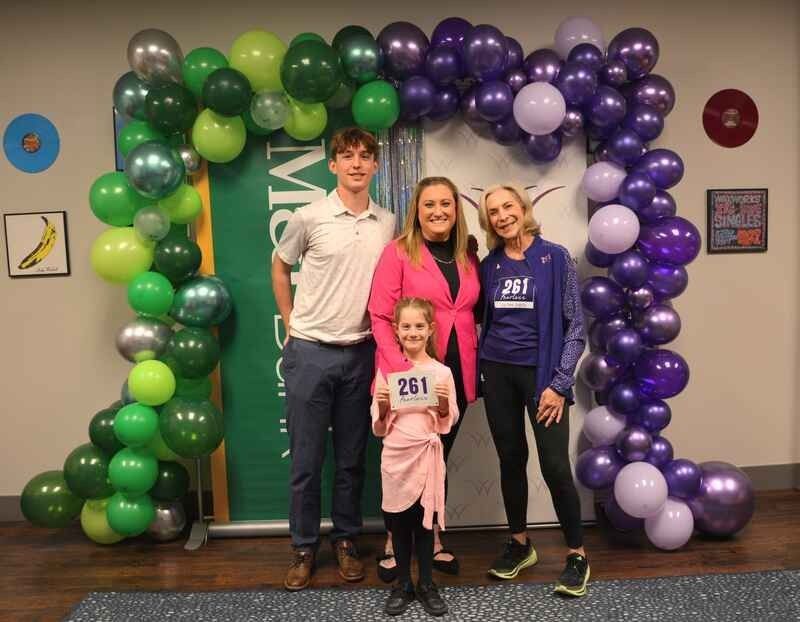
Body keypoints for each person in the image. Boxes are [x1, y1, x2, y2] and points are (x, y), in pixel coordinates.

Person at [272, 127, 395, 591]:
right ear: (333, 165)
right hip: (310, 353)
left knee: (351, 459)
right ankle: (303, 547)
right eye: (347, 156)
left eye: (366, 156)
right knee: (306, 460)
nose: (357, 164)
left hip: (362, 354)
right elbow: (280, 265)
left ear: (376, 165)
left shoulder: (388, 221)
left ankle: (345, 540)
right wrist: (289, 319)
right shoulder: (309, 215)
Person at [476, 183, 590, 597]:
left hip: (542, 377)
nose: (502, 215)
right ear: (487, 220)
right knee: (510, 458)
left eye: (508, 206)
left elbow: (575, 329)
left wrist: (559, 385)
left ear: (524, 208)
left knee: (555, 465)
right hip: (497, 372)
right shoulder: (488, 265)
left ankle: (576, 554)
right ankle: (520, 544)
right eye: (493, 211)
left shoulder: (555, 257)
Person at [368, 176, 481, 580]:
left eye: (446, 204)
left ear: (456, 208)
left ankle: (432, 538)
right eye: (429, 204)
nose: (438, 211)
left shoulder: (468, 254)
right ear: (417, 209)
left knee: (437, 458)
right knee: (402, 463)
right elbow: (380, 317)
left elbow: (472, 311)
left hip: (454, 375)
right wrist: (399, 368)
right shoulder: (398, 252)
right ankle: (392, 542)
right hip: (404, 376)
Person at [372, 297, 459, 616]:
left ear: (430, 329)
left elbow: (446, 424)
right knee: (399, 526)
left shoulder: (442, 373)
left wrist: (443, 405)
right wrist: (382, 407)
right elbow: (378, 428)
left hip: (426, 457)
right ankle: (403, 585)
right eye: (406, 326)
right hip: (395, 459)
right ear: (395, 331)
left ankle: (426, 583)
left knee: (424, 526)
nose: (412, 332)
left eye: (419, 326)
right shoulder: (387, 374)